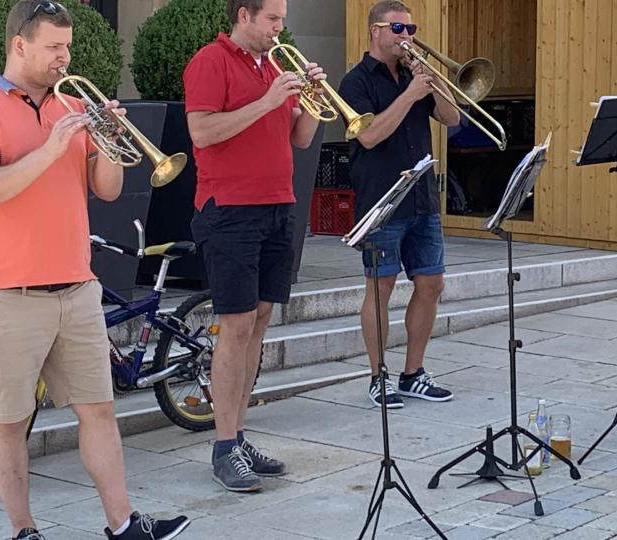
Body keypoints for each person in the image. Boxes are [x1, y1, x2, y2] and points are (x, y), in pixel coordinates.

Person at [0, 2, 190, 539]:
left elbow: (104, 190)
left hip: (77, 286)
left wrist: (109, 143)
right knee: (8, 422)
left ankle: (123, 523)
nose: (66, 57)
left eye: (68, 47)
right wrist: (53, 146)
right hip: (8, 292)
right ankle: (24, 530)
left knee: (99, 411)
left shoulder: (73, 106)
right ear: (20, 46)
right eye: (55, 47)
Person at [184, 0, 324, 493]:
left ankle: (238, 436)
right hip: (230, 209)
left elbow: (301, 139)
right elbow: (201, 131)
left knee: (260, 321)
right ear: (244, 16)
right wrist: (267, 100)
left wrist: (310, 99)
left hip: (277, 205)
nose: (280, 29)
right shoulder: (210, 61)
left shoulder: (277, 65)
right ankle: (223, 446)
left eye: (283, 20)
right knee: (237, 324)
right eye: (273, 20)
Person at [338, 0, 460, 409]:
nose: (407, 37)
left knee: (432, 283)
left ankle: (413, 373)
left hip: (422, 196)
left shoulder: (414, 75)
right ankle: (378, 376)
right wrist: (409, 95)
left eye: (411, 29)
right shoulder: (354, 82)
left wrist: (433, 83)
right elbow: (369, 137)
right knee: (381, 287)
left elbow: (452, 117)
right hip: (381, 200)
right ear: (375, 30)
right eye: (398, 29)